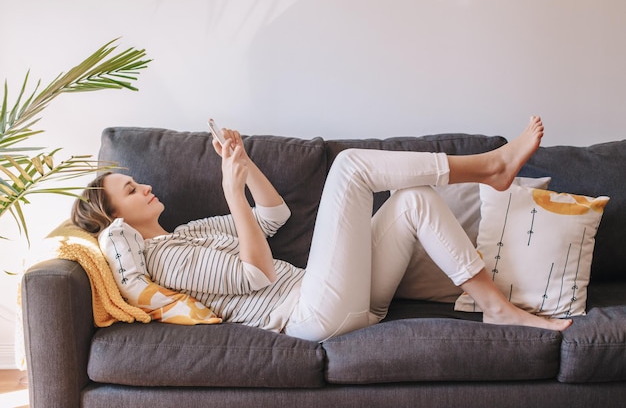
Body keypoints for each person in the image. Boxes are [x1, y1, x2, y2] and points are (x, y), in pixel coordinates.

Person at [72, 116, 572, 342]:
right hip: (310, 313)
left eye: (137, 180)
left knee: (413, 199)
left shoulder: (187, 232)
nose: (145, 187)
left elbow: (274, 218)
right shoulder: (165, 259)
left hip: (344, 301)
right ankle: (489, 167)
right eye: (131, 190)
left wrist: (244, 165)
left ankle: (495, 307)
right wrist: (230, 191)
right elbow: (256, 275)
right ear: (117, 218)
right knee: (351, 166)